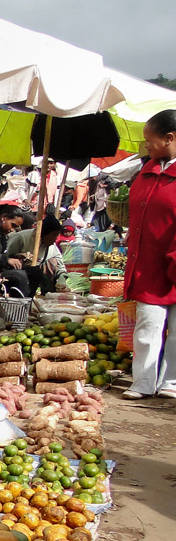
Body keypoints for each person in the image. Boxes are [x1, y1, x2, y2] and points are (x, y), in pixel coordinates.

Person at [123, 109, 176, 400]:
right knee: (147, 326)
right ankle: (143, 381)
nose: (147, 146)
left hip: (173, 261)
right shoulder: (147, 172)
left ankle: (171, 381)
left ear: (169, 138)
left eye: (150, 140)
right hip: (148, 264)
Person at [5, 214, 66, 295]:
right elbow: (6, 256)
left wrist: (62, 276)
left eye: (57, 235)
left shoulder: (51, 246)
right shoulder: (21, 238)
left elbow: (59, 262)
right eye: (53, 235)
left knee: (50, 263)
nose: (55, 239)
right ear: (45, 233)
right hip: (15, 271)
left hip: (36, 273)